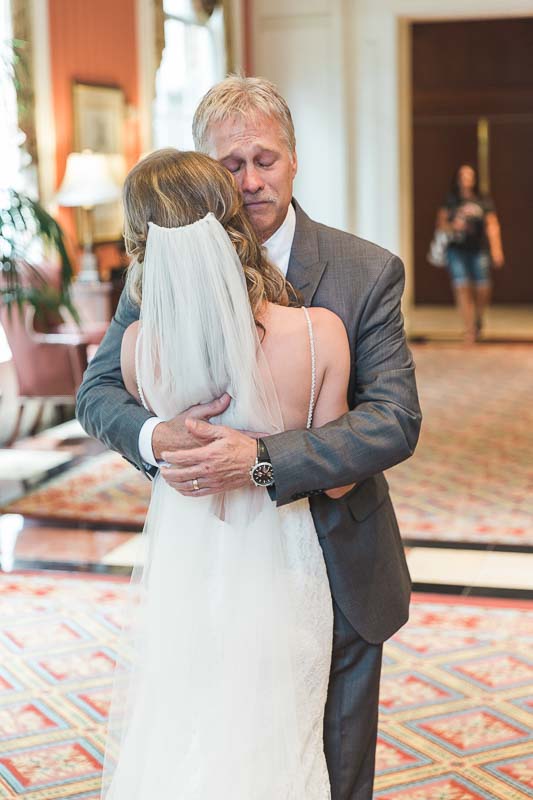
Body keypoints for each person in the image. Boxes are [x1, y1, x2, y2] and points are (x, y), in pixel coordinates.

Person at [77, 76, 421, 800]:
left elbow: (392, 418)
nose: (252, 180)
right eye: (231, 165)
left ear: (294, 159)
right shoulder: (160, 270)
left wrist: (261, 459)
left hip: (335, 556)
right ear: (208, 173)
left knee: (332, 765)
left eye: (266, 159)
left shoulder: (364, 271)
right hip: (207, 563)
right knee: (217, 747)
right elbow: (97, 391)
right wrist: (157, 437)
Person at [101, 147, 351, 798]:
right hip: (282, 561)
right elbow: (339, 479)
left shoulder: (138, 348)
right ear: (232, 222)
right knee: (284, 747)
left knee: (190, 738)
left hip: (186, 568)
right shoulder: (318, 335)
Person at [435, 163, 504, 343]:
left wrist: (496, 249)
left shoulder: (483, 200)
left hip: (478, 248)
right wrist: (453, 226)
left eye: (469, 176)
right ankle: (469, 328)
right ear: (457, 179)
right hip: (456, 249)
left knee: (483, 287)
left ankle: (478, 317)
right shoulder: (451, 200)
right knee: (461, 286)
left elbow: (492, 225)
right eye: (463, 176)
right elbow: (441, 224)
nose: (466, 179)